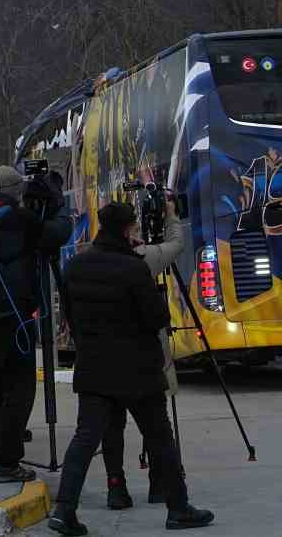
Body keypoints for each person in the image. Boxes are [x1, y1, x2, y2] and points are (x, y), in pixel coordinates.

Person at [46, 203, 213, 535]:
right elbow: (157, 318)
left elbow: (70, 318)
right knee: (160, 438)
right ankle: (178, 508)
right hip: (138, 370)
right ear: (126, 230)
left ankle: (64, 510)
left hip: (94, 368)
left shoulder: (75, 266)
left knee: (85, 439)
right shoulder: (134, 268)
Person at [0, 167, 71, 484]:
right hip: (10, 315)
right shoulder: (17, 218)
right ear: (14, 191)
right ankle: (7, 462)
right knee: (19, 388)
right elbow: (57, 234)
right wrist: (58, 206)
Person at [100, 189, 184, 509]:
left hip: (105, 362)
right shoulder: (144, 258)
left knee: (112, 426)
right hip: (142, 361)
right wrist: (171, 216)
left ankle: (116, 487)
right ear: (127, 231)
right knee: (156, 426)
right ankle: (159, 485)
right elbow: (176, 244)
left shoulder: (89, 260)